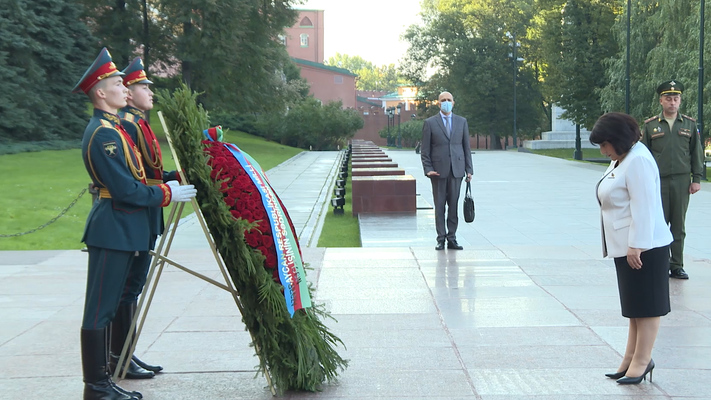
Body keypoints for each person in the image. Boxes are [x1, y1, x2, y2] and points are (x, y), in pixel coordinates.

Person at [74, 48, 196, 400]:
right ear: (100, 92)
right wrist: (166, 194)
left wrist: (167, 185)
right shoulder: (103, 134)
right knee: (100, 308)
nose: (124, 89)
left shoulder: (113, 128)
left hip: (124, 227)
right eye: (116, 83)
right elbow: (126, 190)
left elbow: (141, 176)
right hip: (113, 228)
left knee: (112, 303)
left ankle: (109, 374)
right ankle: (96, 385)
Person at [106, 57, 177, 380]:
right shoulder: (129, 125)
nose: (150, 91)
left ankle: (126, 354)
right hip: (139, 211)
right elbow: (135, 176)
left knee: (133, 287)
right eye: (142, 86)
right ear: (130, 94)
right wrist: (165, 187)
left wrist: (174, 177)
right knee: (129, 287)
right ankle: (120, 357)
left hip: (148, 209)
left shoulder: (139, 124)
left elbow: (150, 171)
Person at [591, 112, 673, 385]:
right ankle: (630, 358)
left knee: (648, 307)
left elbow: (645, 206)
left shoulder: (637, 160)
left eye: (604, 144)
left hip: (644, 247)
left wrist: (637, 246)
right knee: (634, 307)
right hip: (626, 246)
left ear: (617, 139)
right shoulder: (624, 157)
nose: (602, 151)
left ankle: (642, 360)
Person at [640, 80, 704, 279]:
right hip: (658, 181)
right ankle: (657, 264)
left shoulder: (689, 125)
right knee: (658, 223)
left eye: (676, 99)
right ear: (661, 100)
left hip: (682, 181)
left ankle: (676, 265)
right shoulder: (650, 126)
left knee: (678, 225)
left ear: (680, 101)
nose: (672, 102)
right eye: (668, 98)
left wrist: (697, 179)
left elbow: (696, 153)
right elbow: (643, 155)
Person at [420, 91, 473, 250]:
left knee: (454, 206)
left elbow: (466, 147)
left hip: (456, 170)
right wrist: (428, 169)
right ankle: (440, 238)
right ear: (438, 103)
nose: (446, 102)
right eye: (443, 100)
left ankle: (452, 237)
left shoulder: (461, 122)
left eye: (449, 100)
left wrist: (469, 169)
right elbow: (425, 150)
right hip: (438, 172)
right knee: (440, 206)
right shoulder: (430, 123)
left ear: (453, 102)